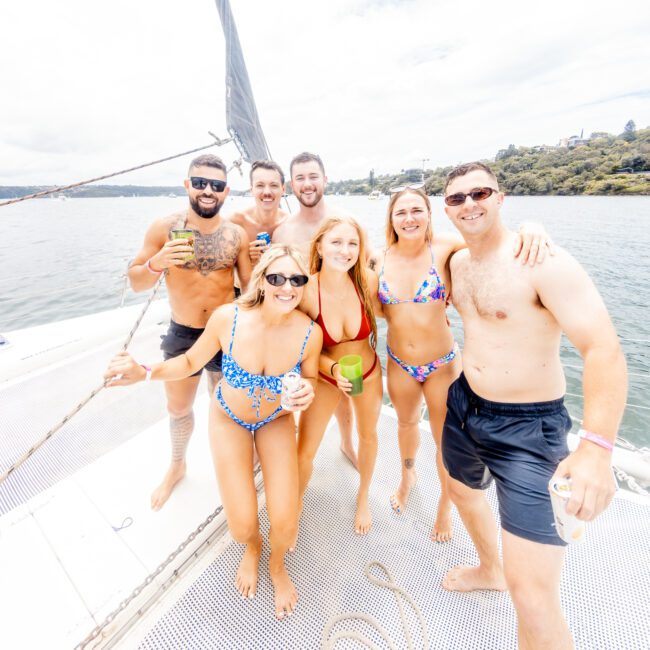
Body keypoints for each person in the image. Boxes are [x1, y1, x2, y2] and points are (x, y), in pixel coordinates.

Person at [441, 162, 626, 648]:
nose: (469, 204)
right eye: (457, 198)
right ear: (447, 209)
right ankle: (488, 567)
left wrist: (596, 449)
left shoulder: (542, 261)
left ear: (501, 197)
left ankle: (509, 580)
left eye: (480, 192)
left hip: (528, 428)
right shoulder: (456, 262)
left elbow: (603, 348)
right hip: (464, 405)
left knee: (534, 599)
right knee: (462, 492)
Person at [105, 245, 322, 620]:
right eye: (276, 278)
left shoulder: (309, 334)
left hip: (276, 420)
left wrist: (307, 390)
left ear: (305, 284)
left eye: (296, 279)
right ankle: (252, 548)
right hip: (230, 420)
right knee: (241, 524)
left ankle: (276, 564)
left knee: (286, 520)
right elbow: (190, 361)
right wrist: (145, 372)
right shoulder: (229, 318)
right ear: (262, 280)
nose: (287, 287)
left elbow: (311, 377)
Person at [373, 188, 553, 542]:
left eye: (416, 210)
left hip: (441, 363)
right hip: (398, 363)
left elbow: (492, 242)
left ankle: (445, 504)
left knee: (445, 442)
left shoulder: (445, 247)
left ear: (428, 213)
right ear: (391, 219)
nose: (409, 218)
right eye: (401, 212)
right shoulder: (378, 259)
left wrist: (531, 227)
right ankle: (407, 475)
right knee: (406, 425)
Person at [127, 153, 252, 510]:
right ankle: (177, 465)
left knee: (224, 406)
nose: (207, 191)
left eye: (216, 185)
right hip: (184, 332)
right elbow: (136, 281)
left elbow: (249, 285)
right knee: (178, 407)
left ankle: (231, 465)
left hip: (226, 332)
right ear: (188, 185)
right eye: (199, 183)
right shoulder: (163, 229)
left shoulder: (236, 235)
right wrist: (157, 262)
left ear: (226, 191)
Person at [273, 152, 359, 469]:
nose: (307, 184)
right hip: (298, 323)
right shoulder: (283, 231)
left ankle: (348, 442)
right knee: (294, 386)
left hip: (338, 324)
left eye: (313, 177)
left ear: (325, 179)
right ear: (290, 185)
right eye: (300, 178)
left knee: (345, 391)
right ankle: (289, 444)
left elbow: (371, 264)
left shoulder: (345, 221)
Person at [297, 216, 382, 535]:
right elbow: (300, 347)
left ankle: (363, 498)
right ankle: (298, 499)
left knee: (368, 436)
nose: (345, 250)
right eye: (336, 242)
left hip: (368, 372)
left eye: (352, 243)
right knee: (305, 449)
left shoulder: (367, 281)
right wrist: (331, 369)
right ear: (318, 246)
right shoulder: (305, 290)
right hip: (327, 375)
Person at [228, 159, 288, 266]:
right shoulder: (236, 222)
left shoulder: (290, 224)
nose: (267, 192)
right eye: (260, 185)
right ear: (252, 190)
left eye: (273, 185)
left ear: (283, 189)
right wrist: (244, 257)